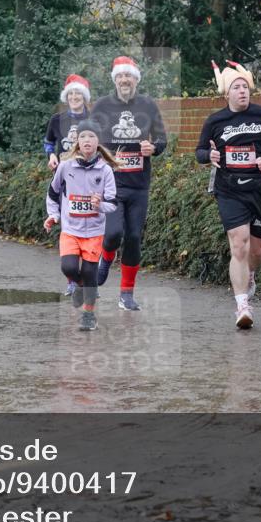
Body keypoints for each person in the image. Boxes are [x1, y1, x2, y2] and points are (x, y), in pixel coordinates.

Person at [195, 61, 261, 328]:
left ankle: (249, 276)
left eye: (246, 87)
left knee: (257, 251)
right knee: (239, 243)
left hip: (259, 189)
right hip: (228, 189)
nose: (242, 92)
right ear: (227, 94)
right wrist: (209, 155)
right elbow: (200, 151)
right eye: (237, 88)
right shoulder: (216, 121)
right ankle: (242, 306)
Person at [90, 56, 168, 311]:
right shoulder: (102, 106)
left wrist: (152, 148)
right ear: (115, 80)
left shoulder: (147, 105)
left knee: (133, 237)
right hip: (110, 184)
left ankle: (126, 294)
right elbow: (88, 137)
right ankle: (106, 256)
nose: (125, 80)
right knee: (113, 235)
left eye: (129, 76)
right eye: (121, 77)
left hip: (138, 184)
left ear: (136, 79)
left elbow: (161, 140)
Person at [45, 119, 119, 331]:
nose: (87, 140)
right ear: (77, 141)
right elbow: (53, 193)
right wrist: (53, 216)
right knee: (68, 267)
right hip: (70, 229)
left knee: (89, 274)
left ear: (98, 142)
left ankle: (88, 314)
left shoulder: (105, 171)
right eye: (83, 136)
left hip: (94, 232)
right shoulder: (66, 167)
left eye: (92, 137)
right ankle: (78, 287)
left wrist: (100, 204)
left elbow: (113, 204)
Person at [44, 74, 92, 296]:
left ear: (84, 96)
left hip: (89, 178)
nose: (74, 97)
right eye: (71, 93)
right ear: (67, 96)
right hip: (64, 178)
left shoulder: (94, 118)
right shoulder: (57, 119)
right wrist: (51, 156)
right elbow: (48, 142)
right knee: (69, 225)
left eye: (78, 93)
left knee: (88, 224)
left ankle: (85, 271)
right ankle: (73, 278)